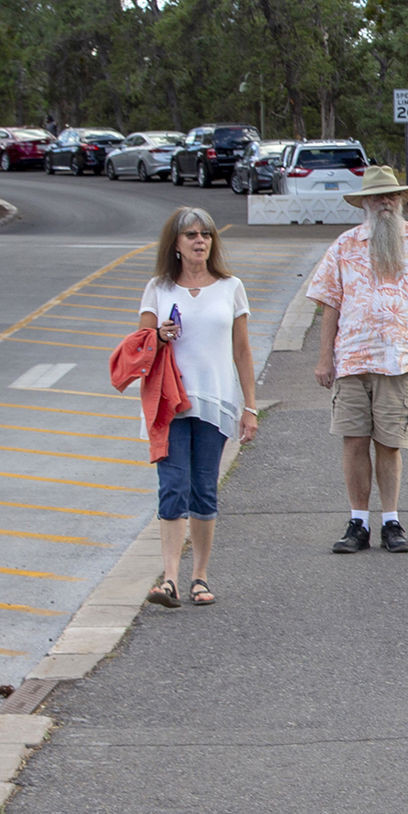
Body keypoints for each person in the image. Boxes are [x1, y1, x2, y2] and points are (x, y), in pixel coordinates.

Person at [306, 164, 408, 553]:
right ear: (365, 203)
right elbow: (329, 303)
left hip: (401, 358)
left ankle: (391, 522)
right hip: (353, 359)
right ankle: (357, 523)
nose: (386, 203)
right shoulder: (345, 245)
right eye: (378, 197)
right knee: (354, 440)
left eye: (391, 196)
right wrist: (324, 358)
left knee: (389, 443)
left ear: (401, 199)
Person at [138, 206, 258, 607]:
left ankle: (200, 577)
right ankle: (169, 577)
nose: (199, 241)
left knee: (203, 489)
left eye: (205, 234)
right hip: (171, 402)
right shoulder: (158, 287)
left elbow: (242, 351)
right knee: (172, 487)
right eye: (190, 235)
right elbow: (140, 344)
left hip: (216, 402)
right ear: (175, 244)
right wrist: (158, 334)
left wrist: (250, 407)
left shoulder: (230, 286)